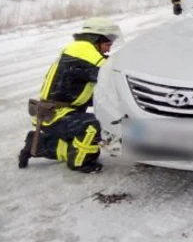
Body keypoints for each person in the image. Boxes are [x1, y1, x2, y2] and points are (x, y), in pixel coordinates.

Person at [18, 17, 122, 173]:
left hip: (56, 113)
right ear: (95, 39)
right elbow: (111, 75)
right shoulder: (82, 50)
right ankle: (80, 162)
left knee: (100, 124)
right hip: (56, 115)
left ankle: (39, 144)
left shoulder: (80, 50)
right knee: (97, 125)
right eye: (107, 44)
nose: (108, 50)